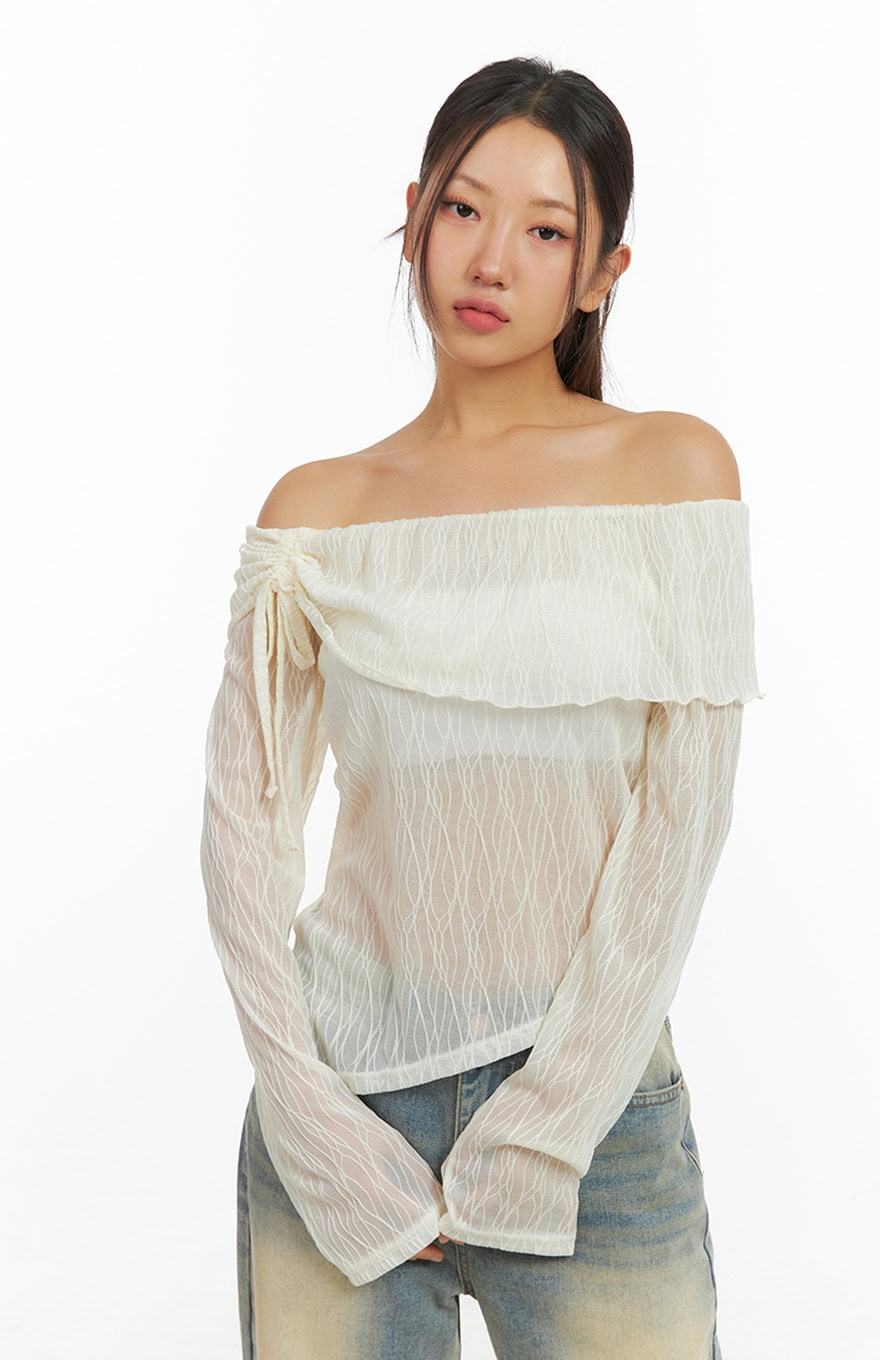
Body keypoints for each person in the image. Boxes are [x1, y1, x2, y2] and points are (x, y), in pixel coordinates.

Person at [200, 55, 764, 1360]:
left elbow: (682, 828)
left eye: (548, 230)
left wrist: (547, 1122)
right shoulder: (317, 512)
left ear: (604, 272)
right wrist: (315, 1125)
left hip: (596, 1120)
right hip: (342, 1108)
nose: (491, 257)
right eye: (463, 207)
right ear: (414, 216)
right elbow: (241, 838)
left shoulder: (672, 472)